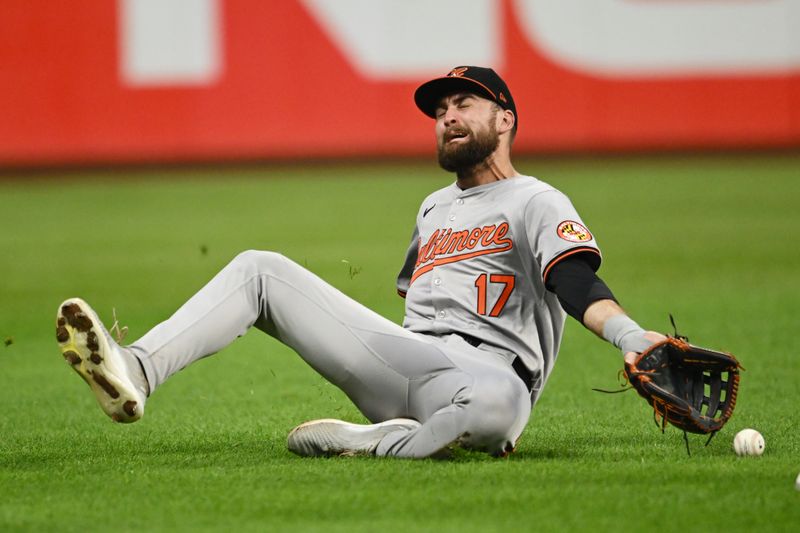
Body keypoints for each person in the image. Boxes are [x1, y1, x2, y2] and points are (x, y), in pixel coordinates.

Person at [56, 66, 662, 459]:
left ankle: (380, 441)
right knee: (259, 269)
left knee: (499, 405)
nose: (446, 116)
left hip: (487, 380)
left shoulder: (535, 199)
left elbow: (572, 278)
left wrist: (632, 337)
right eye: (439, 110)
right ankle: (134, 369)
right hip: (407, 360)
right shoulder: (433, 208)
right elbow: (415, 301)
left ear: (505, 119)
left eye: (463, 104)